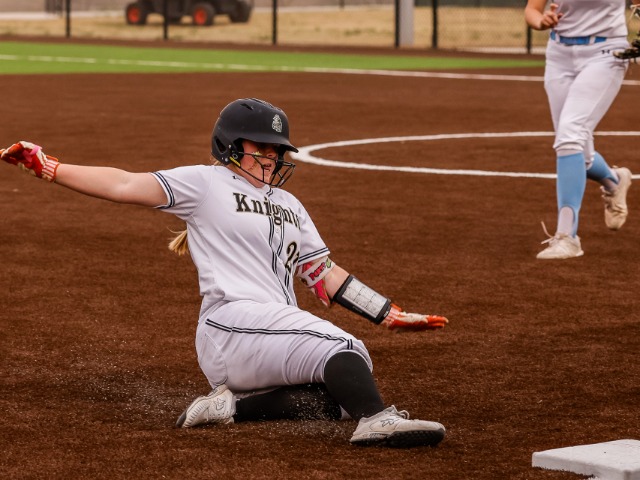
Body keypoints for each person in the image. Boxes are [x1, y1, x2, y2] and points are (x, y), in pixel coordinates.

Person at [1, 98, 449, 448]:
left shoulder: (291, 205)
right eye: (262, 146)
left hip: (270, 332)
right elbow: (124, 183)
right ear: (231, 146)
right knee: (343, 347)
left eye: (277, 148)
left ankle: (230, 407)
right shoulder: (206, 183)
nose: (272, 156)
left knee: (341, 388)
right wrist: (49, 167)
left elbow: (324, 273)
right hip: (230, 325)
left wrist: (388, 313)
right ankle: (376, 421)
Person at [525, 0, 635, 260]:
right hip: (559, 55)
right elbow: (532, 10)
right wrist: (541, 21)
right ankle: (614, 181)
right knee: (577, 152)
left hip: (605, 52)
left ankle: (567, 237)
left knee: (569, 136)